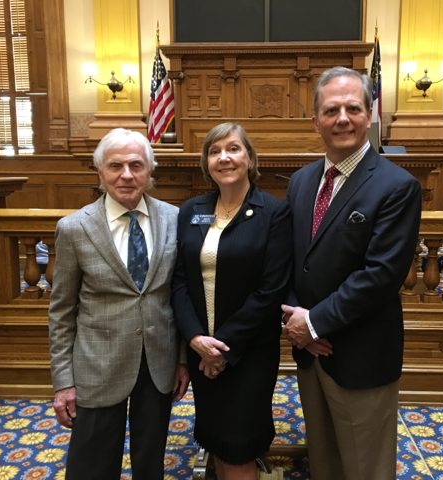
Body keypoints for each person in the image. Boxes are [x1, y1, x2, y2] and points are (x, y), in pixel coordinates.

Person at [282, 67, 422, 480]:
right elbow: (291, 259)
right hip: (310, 352)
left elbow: (381, 275)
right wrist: (296, 323)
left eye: (352, 108)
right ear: (316, 120)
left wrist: (314, 322)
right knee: (324, 458)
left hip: (361, 351)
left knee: (366, 466)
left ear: (369, 114)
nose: (342, 118)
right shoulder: (301, 181)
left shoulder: (397, 186)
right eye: (331, 110)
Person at [48, 128, 189, 480]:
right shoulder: (74, 228)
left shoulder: (175, 220)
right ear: (100, 173)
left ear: (149, 171)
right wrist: (63, 381)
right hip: (98, 365)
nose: (126, 175)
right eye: (115, 166)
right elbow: (61, 312)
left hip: (158, 361)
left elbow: (182, 295)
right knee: (91, 464)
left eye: (136, 165)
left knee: (151, 459)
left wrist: (182, 359)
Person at [171, 123, 292, 480]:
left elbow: (271, 291)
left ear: (250, 158)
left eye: (234, 149)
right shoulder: (192, 209)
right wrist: (195, 339)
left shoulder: (274, 212)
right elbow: (178, 280)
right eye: (214, 151)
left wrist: (221, 349)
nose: (224, 157)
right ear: (206, 162)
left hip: (248, 352)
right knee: (216, 438)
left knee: (238, 443)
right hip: (200, 348)